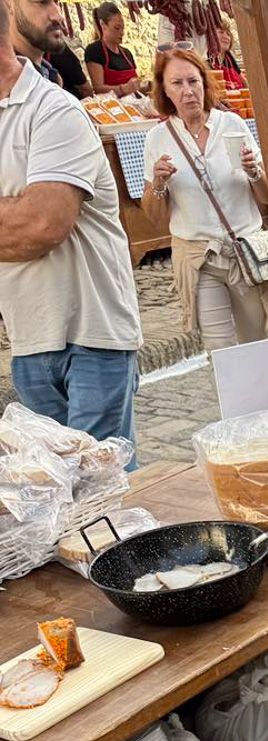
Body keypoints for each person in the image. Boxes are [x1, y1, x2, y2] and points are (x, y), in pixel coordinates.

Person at [0, 0, 141, 445]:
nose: (57, 11)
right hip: (29, 338)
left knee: (97, 489)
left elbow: (40, 226)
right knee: (67, 494)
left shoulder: (54, 110)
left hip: (91, 335)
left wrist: (24, 213)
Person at [142, 48, 268, 353]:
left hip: (244, 252)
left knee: (257, 346)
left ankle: (264, 401)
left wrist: (254, 172)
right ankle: (235, 401)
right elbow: (154, 216)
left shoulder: (232, 125)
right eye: (177, 83)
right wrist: (159, 183)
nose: (188, 90)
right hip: (199, 259)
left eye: (193, 81)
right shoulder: (158, 139)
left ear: (205, 84)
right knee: (221, 353)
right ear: (164, 89)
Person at [84, 4, 144, 96]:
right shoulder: (94, 51)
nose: (122, 32)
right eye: (117, 28)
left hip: (134, 106)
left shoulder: (127, 53)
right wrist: (123, 89)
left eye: (123, 28)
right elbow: (98, 88)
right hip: (113, 107)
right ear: (103, 25)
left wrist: (147, 86)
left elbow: (135, 87)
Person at [10, 0, 67, 79]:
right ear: (8, 4)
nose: (59, 16)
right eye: (42, 2)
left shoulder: (50, 76)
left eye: (57, 2)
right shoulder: (7, 85)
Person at [209, 23, 245, 92]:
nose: (226, 37)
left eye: (228, 34)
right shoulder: (206, 59)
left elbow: (244, 83)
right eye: (221, 32)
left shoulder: (230, 59)